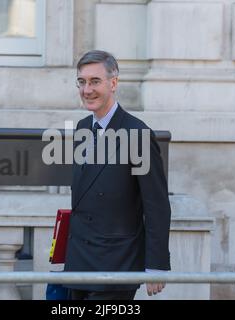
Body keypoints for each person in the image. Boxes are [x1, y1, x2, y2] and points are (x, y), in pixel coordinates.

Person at [64, 50, 171, 300]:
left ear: (113, 83)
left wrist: (156, 265)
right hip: (78, 262)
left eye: (95, 81)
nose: (86, 89)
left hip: (116, 265)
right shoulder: (81, 128)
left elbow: (156, 205)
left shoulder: (138, 134)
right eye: (82, 82)